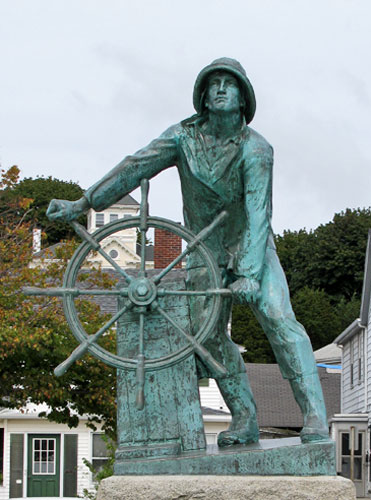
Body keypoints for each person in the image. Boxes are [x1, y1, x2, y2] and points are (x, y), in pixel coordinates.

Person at [47, 57, 329, 446]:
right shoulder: (182, 137)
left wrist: (248, 271)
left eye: (229, 83)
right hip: (203, 250)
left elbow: (259, 210)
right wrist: (84, 204)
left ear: (243, 98)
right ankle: (244, 418)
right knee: (206, 335)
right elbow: (135, 165)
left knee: (281, 321)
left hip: (252, 246)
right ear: (202, 96)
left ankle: (314, 415)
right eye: (212, 83)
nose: (220, 89)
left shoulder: (257, 149)